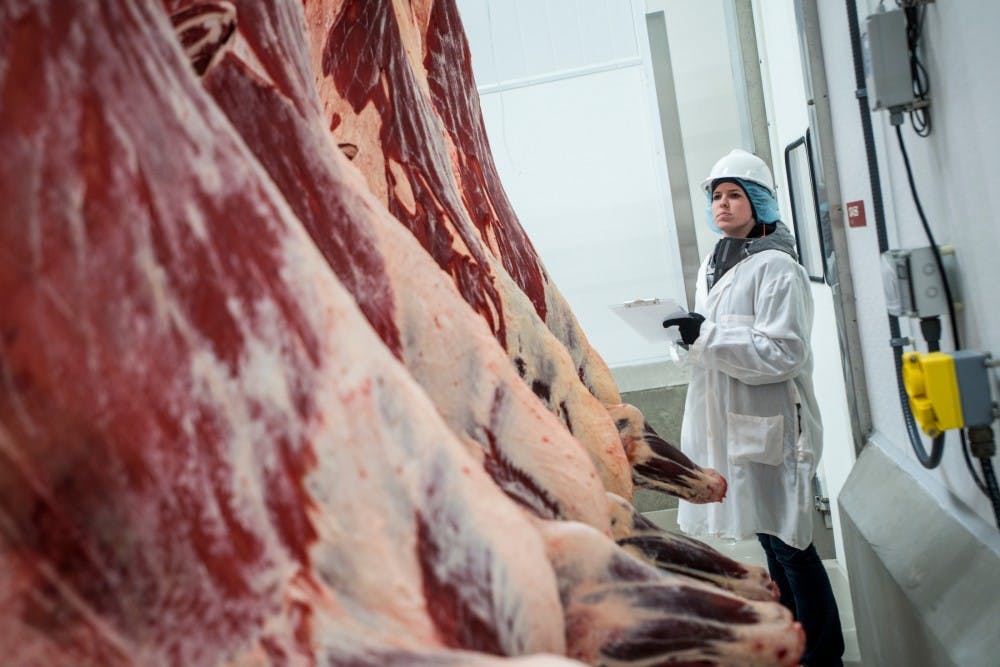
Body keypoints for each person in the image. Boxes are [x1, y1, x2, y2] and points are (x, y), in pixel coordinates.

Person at [663, 149, 844, 666]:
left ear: (758, 202)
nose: (722, 204)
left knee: (791, 544)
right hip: (732, 418)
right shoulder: (716, 260)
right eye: (716, 196)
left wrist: (708, 336)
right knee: (770, 538)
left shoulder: (777, 267)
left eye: (734, 194)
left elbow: (784, 352)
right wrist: (686, 338)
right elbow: (709, 338)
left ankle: (822, 653)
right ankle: (792, 643)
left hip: (773, 422)